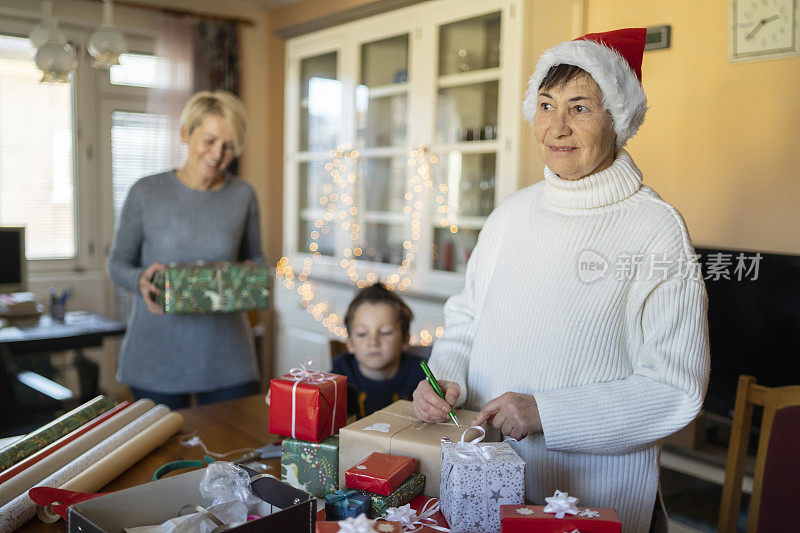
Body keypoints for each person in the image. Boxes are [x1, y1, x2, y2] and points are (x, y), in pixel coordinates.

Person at [412, 28, 709, 533]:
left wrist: (548, 412)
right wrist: (445, 380)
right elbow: (465, 319)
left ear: (619, 117)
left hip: (592, 499)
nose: (557, 127)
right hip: (483, 482)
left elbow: (674, 388)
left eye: (580, 108)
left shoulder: (657, 230)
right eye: (546, 106)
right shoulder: (510, 214)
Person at [107, 90, 263, 410]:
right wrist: (140, 280)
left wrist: (252, 276)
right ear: (185, 133)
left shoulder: (243, 195)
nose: (217, 154)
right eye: (209, 140)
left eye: (229, 145)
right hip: (155, 357)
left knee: (235, 455)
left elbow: (257, 258)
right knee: (162, 455)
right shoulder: (145, 193)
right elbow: (117, 263)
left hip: (228, 358)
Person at [331, 283, 427, 418]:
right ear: (350, 343)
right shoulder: (337, 377)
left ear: (405, 339)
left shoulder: (422, 377)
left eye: (385, 332)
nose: (373, 342)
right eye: (362, 334)